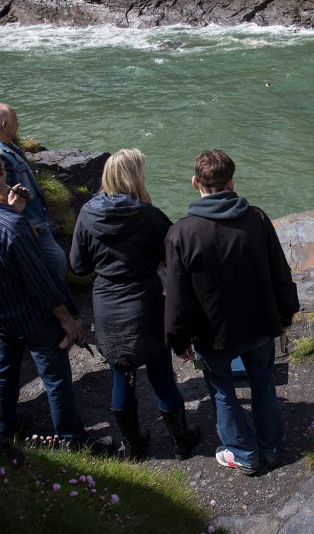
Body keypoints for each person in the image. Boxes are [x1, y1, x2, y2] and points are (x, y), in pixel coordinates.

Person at [0, 147, 109, 451]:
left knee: (4, 366)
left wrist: (10, 211)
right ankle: (73, 438)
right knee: (56, 377)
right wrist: (68, 320)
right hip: (32, 317)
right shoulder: (11, 227)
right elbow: (41, 282)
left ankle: (4, 424)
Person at [164, 149, 300, 475]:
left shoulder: (181, 233)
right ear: (232, 182)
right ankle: (271, 448)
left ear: (195, 182)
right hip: (261, 323)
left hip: (214, 335)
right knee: (264, 384)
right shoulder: (257, 219)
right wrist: (285, 315)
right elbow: (280, 273)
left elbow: (178, 298)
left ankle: (243, 453)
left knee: (223, 391)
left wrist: (178, 339)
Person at [70, 149, 200, 460]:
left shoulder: (88, 213)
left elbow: (78, 265)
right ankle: (181, 440)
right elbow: (172, 256)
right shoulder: (148, 215)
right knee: (160, 372)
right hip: (144, 301)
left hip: (106, 304)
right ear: (135, 176)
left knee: (121, 373)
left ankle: (134, 443)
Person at [0, 102, 66, 277]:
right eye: (16, 121)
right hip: (29, 225)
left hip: (32, 221)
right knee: (55, 260)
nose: (18, 125)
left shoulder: (0, 145)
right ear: (5, 125)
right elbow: (2, 196)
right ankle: (51, 300)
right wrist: (25, 225)